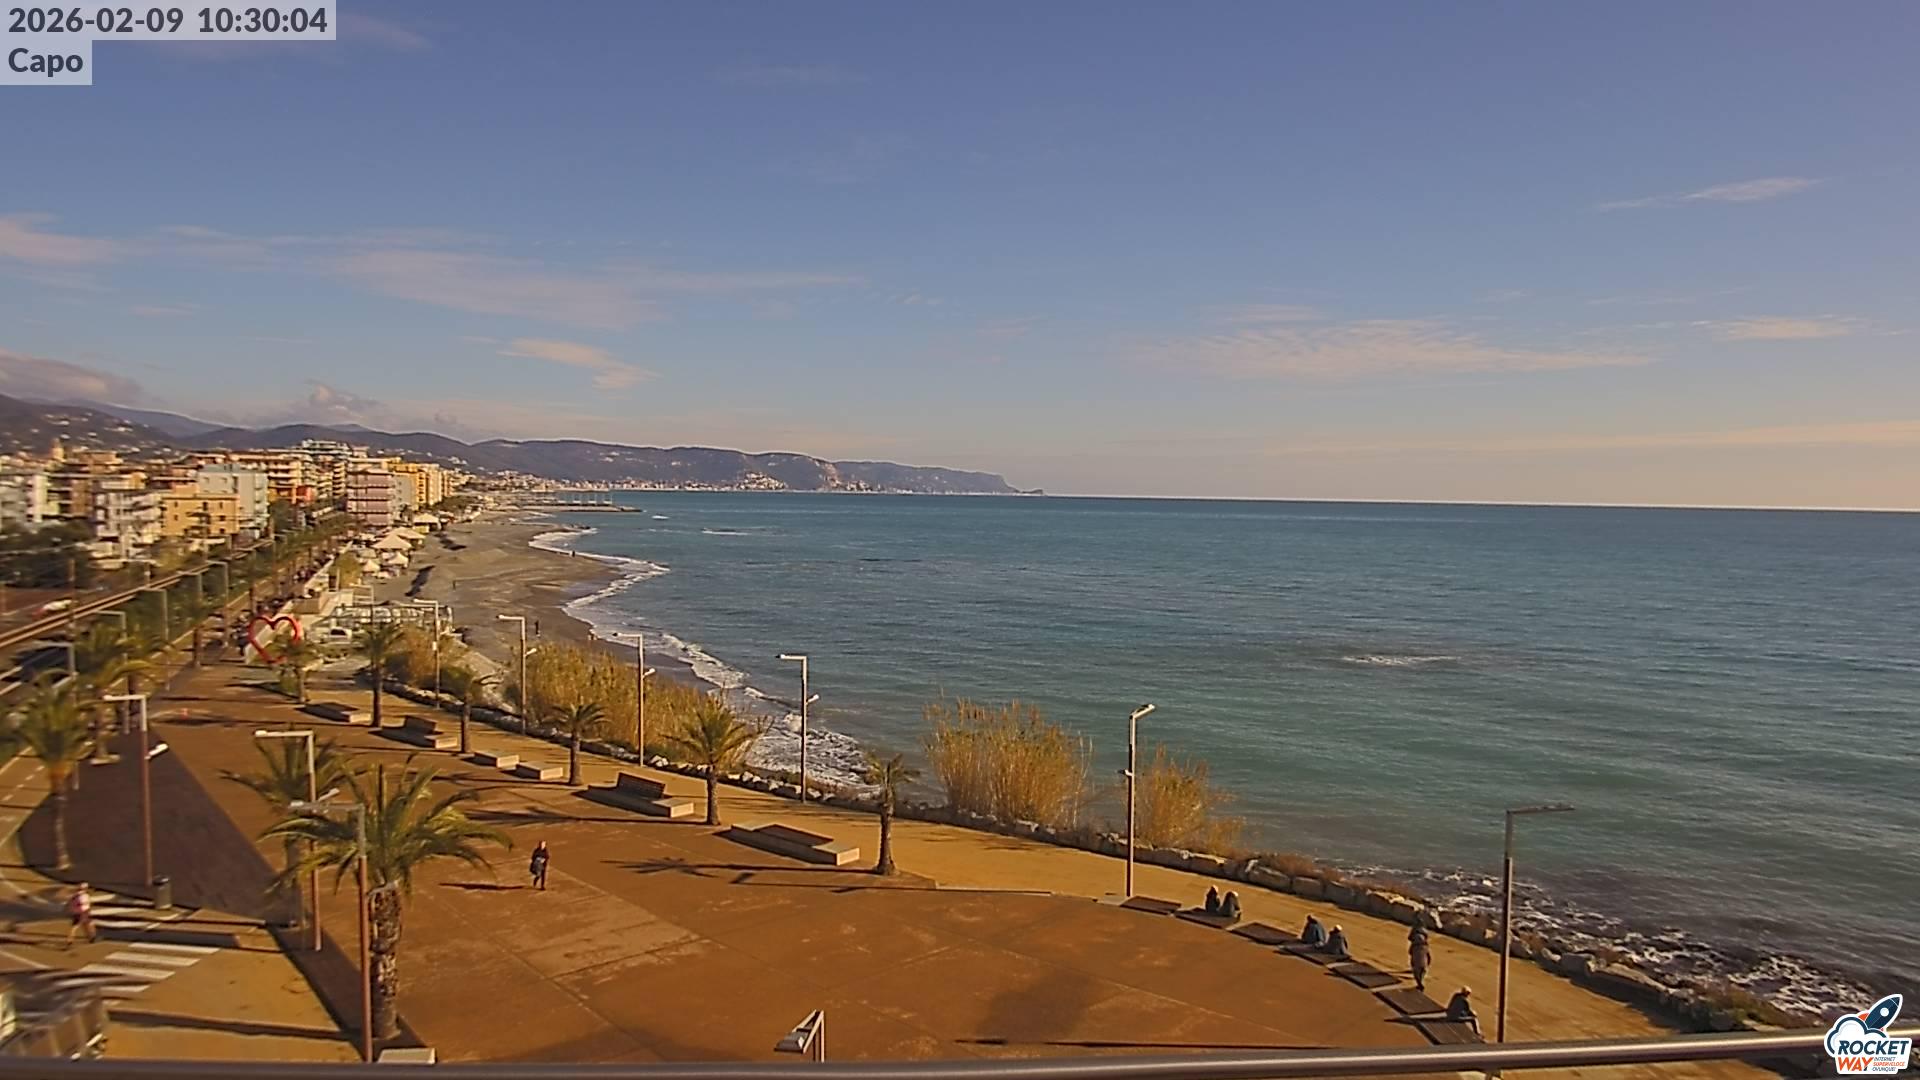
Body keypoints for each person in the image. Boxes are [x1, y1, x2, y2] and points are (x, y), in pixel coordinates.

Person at [65, 882, 95, 947]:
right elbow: (86, 904)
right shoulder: (85, 895)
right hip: (83, 912)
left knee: (75, 927)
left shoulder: (75, 895)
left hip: (76, 912)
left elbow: (71, 903)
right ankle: (92, 937)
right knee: (89, 924)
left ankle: (69, 941)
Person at [1409, 926, 1432, 991]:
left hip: (1417, 962)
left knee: (1416, 974)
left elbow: (1410, 953)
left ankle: (1420, 984)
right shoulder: (1426, 947)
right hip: (1424, 963)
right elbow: (1429, 956)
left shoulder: (1413, 947)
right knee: (1422, 974)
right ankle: (1420, 984)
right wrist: (1428, 962)